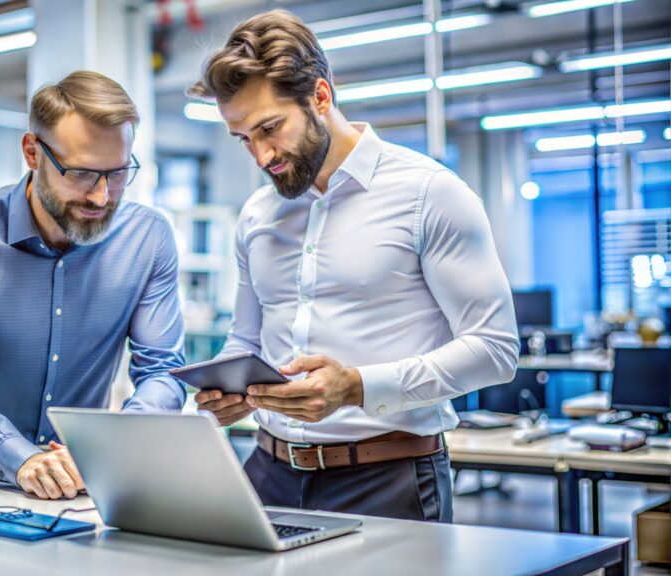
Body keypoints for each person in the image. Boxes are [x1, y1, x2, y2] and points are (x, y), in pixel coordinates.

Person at [189, 10, 519, 522]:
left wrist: (359, 386)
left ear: (320, 97)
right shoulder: (257, 214)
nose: (260, 155)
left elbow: (495, 350)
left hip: (389, 476)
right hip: (267, 471)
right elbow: (247, 340)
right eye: (244, 139)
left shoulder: (429, 194)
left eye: (270, 128)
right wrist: (232, 392)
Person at [0, 71, 186, 500]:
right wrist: (20, 458)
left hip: (85, 480)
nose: (100, 197)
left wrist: (114, 447)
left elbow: (163, 371)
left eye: (116, 174)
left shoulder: (147, 239)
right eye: (81, 174)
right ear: (32, 153)